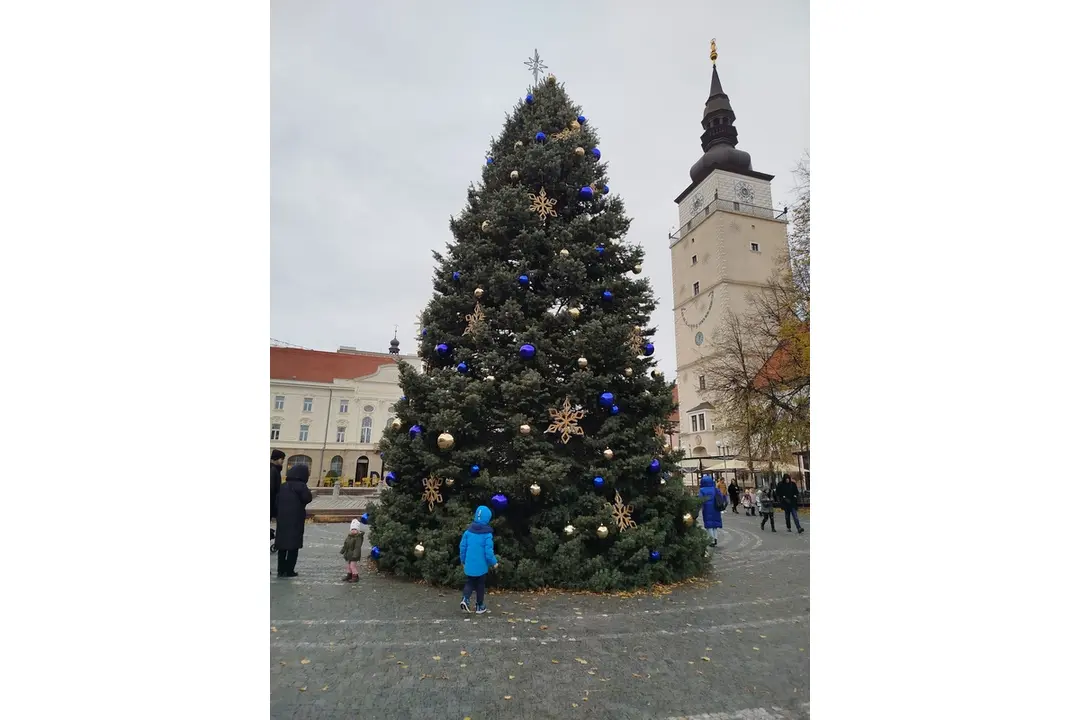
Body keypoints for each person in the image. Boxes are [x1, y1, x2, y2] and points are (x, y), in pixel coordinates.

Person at [275, 463, 313, 577]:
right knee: (293, 546)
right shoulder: (301, 486)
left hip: (282, 519)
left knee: (282, 547)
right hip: (296, 519)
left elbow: (276, 502)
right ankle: (290, 570)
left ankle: (281, 570)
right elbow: (307, 498)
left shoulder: (283, 486)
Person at [459, 505, 498, 614]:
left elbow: (463, 547)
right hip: (481, 566)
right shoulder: (487, 534)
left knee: (470, 582)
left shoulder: (468, 532)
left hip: (469, 564)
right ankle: (479, 606)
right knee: (480, 585)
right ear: (488, 519)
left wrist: (463, 560)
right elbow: (488, 551)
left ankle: (465, 599)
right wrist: (494, 562)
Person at [698, 475, 726, 547]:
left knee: (709, 525)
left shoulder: (702, 490)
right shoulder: (715, 489)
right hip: (716, 508)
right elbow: (721, 496)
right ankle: (715, 538)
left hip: (707, 509)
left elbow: (700, 500)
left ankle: (711, 540)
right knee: (714, 525)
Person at [339, 518, 365, 583]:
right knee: (348, 566)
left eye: (355, 529)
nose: (353, 531)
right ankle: (349, 575)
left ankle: (355, 577)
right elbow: (346, 544)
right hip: (348, 554)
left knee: (352, 566)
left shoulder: (358, 538)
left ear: (358, 530)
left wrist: (355, 555)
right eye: (352, 529)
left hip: (354, 555)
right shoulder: (349, 536)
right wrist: (343, 550)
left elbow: (357, 547)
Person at [270, 449, 285, 520]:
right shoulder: (272, 469)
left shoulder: (275, 469)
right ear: (276, 458)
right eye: (281, 458)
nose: (283, 461)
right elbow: (271, 488)